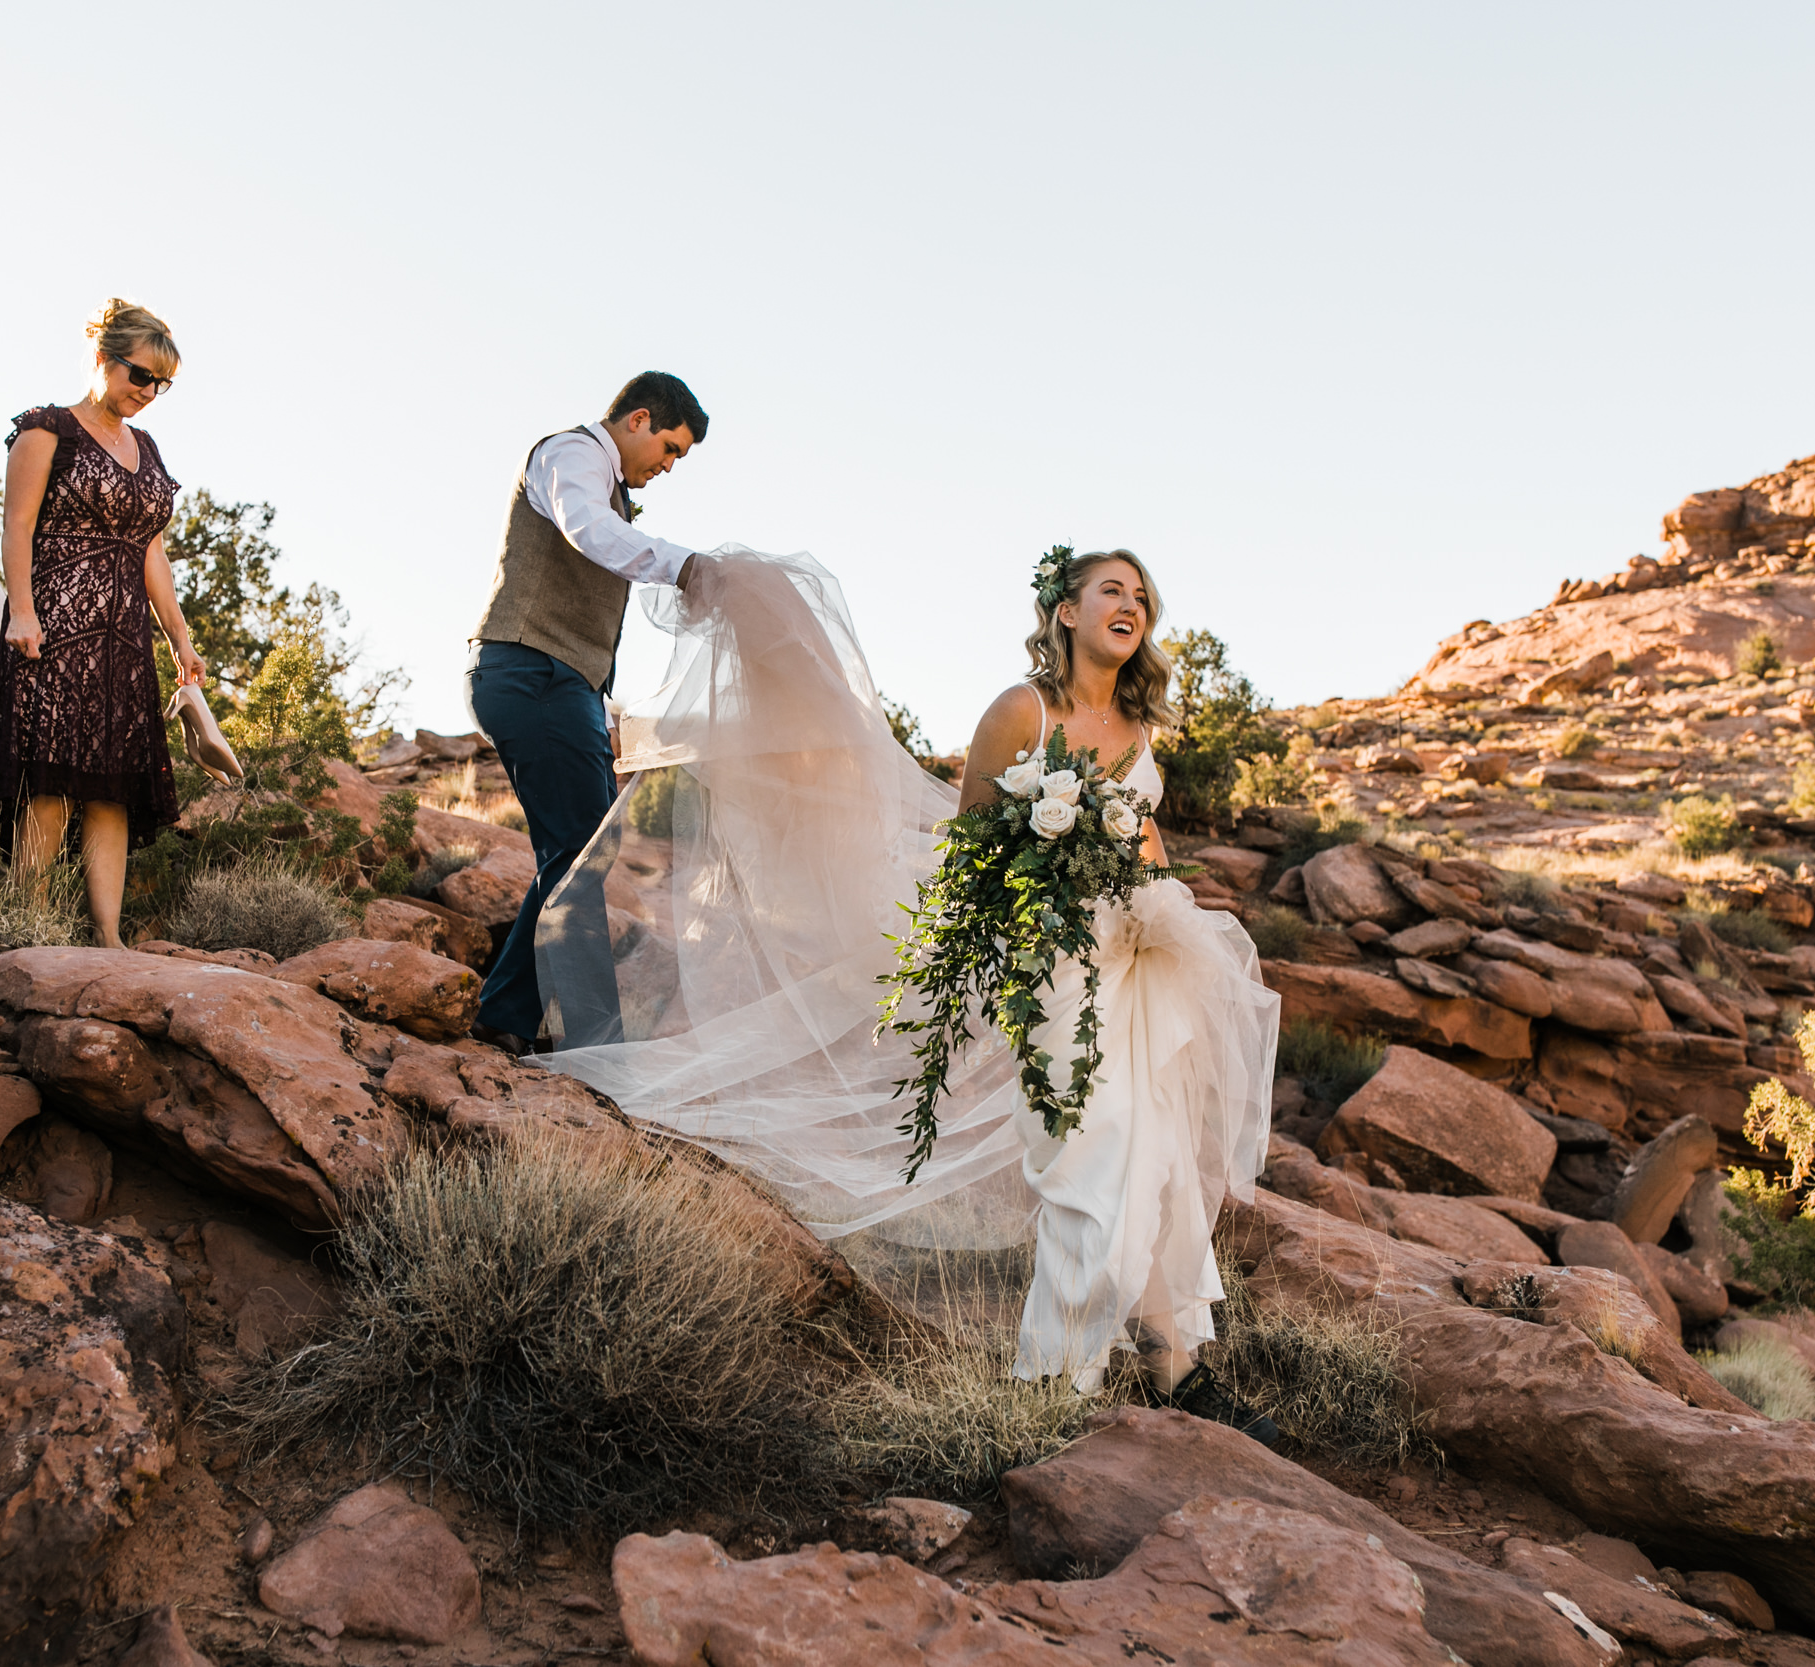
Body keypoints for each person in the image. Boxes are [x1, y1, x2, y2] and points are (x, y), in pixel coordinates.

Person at [533, 545, 1278, 1398]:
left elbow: (1147, 843)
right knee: (1093, 1157)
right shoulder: (1020, 712)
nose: (1131, 604)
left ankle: (1177, 1367)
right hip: (1051, 969)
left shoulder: (1139, 734)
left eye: (1142, 596)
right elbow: (969, 851)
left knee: (1160, 1158)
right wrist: (1045, 887)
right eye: (1112, 589)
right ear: (1066, 612)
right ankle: (1056, 1380)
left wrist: (1151, 895)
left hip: (1139, 966)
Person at [465, 371, 710, 1058]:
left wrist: (597, 703)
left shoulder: (615, 491)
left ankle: (507, 1013)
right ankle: (596, 1042)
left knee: (576, 853)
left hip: (563, 684)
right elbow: (586, 529)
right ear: (638, 418)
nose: (667, 466)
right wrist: (684, 566)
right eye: (670, 448)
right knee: (579, 850)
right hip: (526, 668)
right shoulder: (572, 456)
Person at [0, 299, 204, 948]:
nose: (150, 393)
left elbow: (151, 549)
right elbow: (15, 525)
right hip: (52, 630)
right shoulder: (47, 429)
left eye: (163, 384)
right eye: (140, 376)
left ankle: (109, 939)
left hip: (124, 642)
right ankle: (27, 928)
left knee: (113, 791)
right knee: (49, 781)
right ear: (103, 359)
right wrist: (21, 610)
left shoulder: (147, 448)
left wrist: (179, 638)